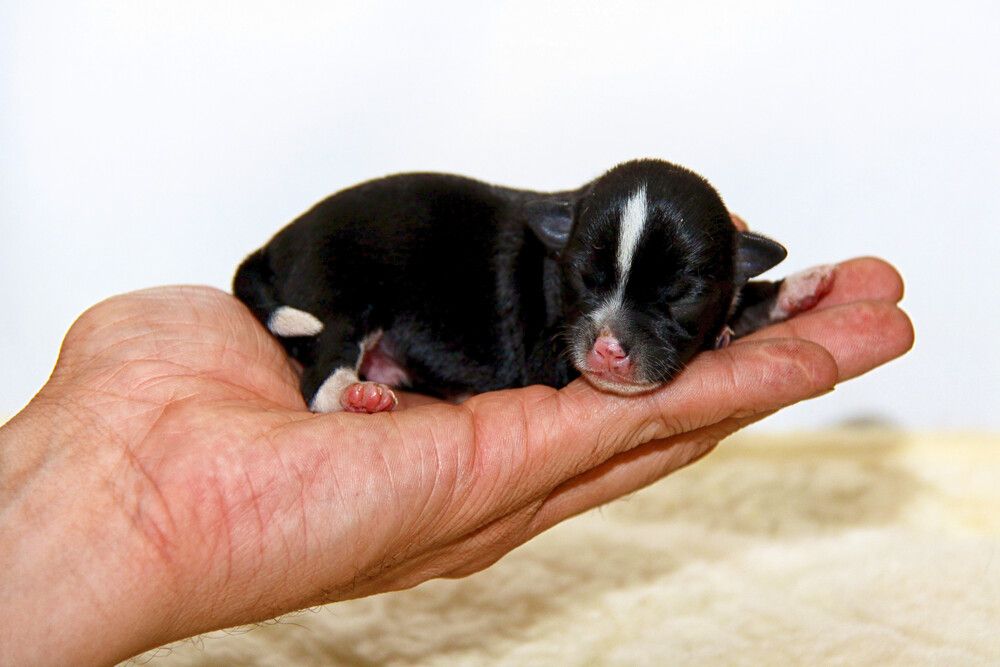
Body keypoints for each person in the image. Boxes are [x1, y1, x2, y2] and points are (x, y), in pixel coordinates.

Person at [0, 257, 912, 666]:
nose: (610, 347)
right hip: (347, 295)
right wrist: (127, 486)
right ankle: (330, 362)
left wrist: (127, 501)